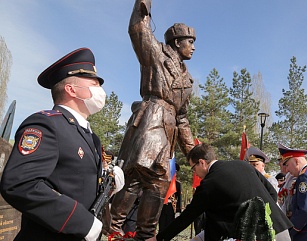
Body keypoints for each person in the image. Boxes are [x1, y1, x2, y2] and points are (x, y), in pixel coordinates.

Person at [0, 48, 124, 241]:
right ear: (71, 89)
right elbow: (20, 183)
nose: (99, 88)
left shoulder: (91, 137)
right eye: (93, 83)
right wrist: (82, 222)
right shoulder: (47, 124)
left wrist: (108, 184)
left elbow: (75, 183)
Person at [106, 0, 197, 239]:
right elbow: (138, 30)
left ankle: (146, 235)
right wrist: (142, 6)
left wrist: (193, 154)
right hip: (150, 122)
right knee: (135, 178)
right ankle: (112, 230)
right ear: (177, 42)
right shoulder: (156, 55)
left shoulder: (188, 81)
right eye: (190, 42)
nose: (194, 48)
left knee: (158, 187)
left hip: (167, 136)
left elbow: (183, 119)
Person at [155, 143, 293, 241]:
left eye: (193, 168)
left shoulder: (209, 183)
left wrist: (160, 238)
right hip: (280, 229)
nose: (195, 173)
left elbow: (188, 216)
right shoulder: (243, 165)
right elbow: (272, 194)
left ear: (202, 162)